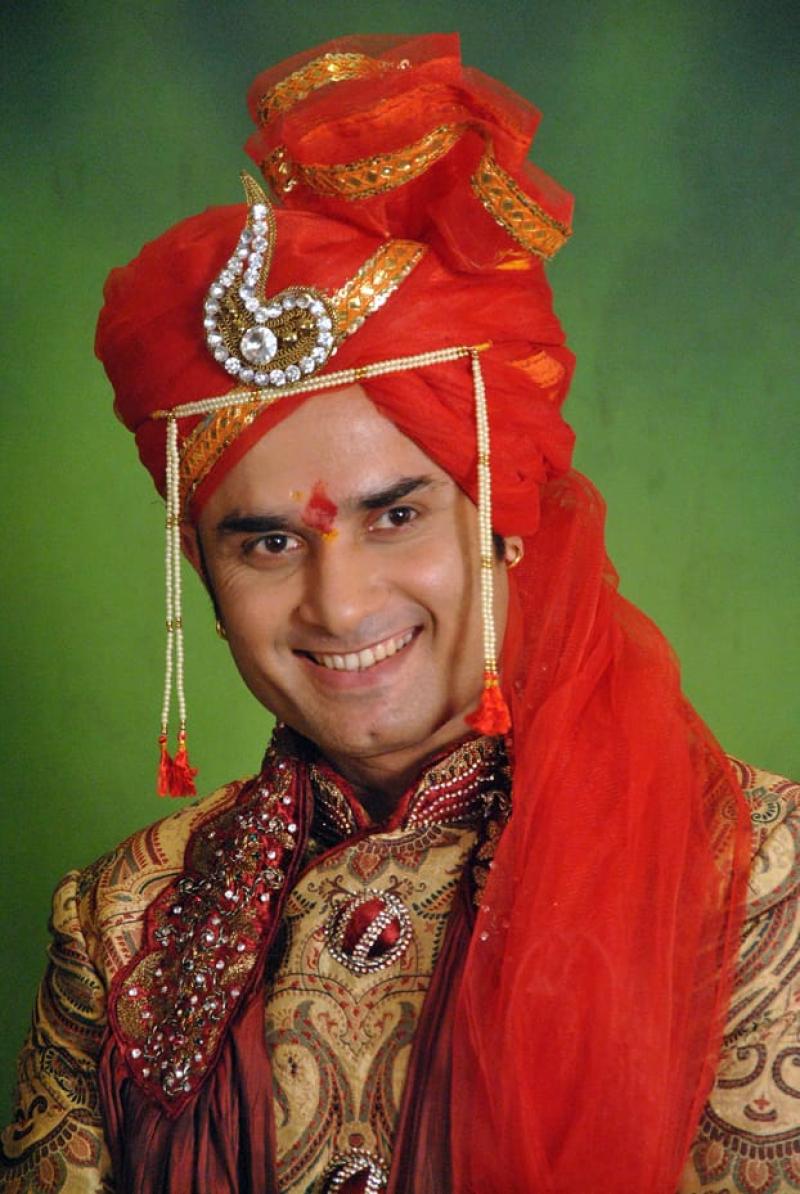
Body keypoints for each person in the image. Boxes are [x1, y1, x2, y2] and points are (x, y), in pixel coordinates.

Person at [1, 33, 797, 1194]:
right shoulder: (122, 923)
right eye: (267, 541)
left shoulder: (755, 877)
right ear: (204, 580)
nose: (339, 604)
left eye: (396, 515)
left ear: (505, 516)